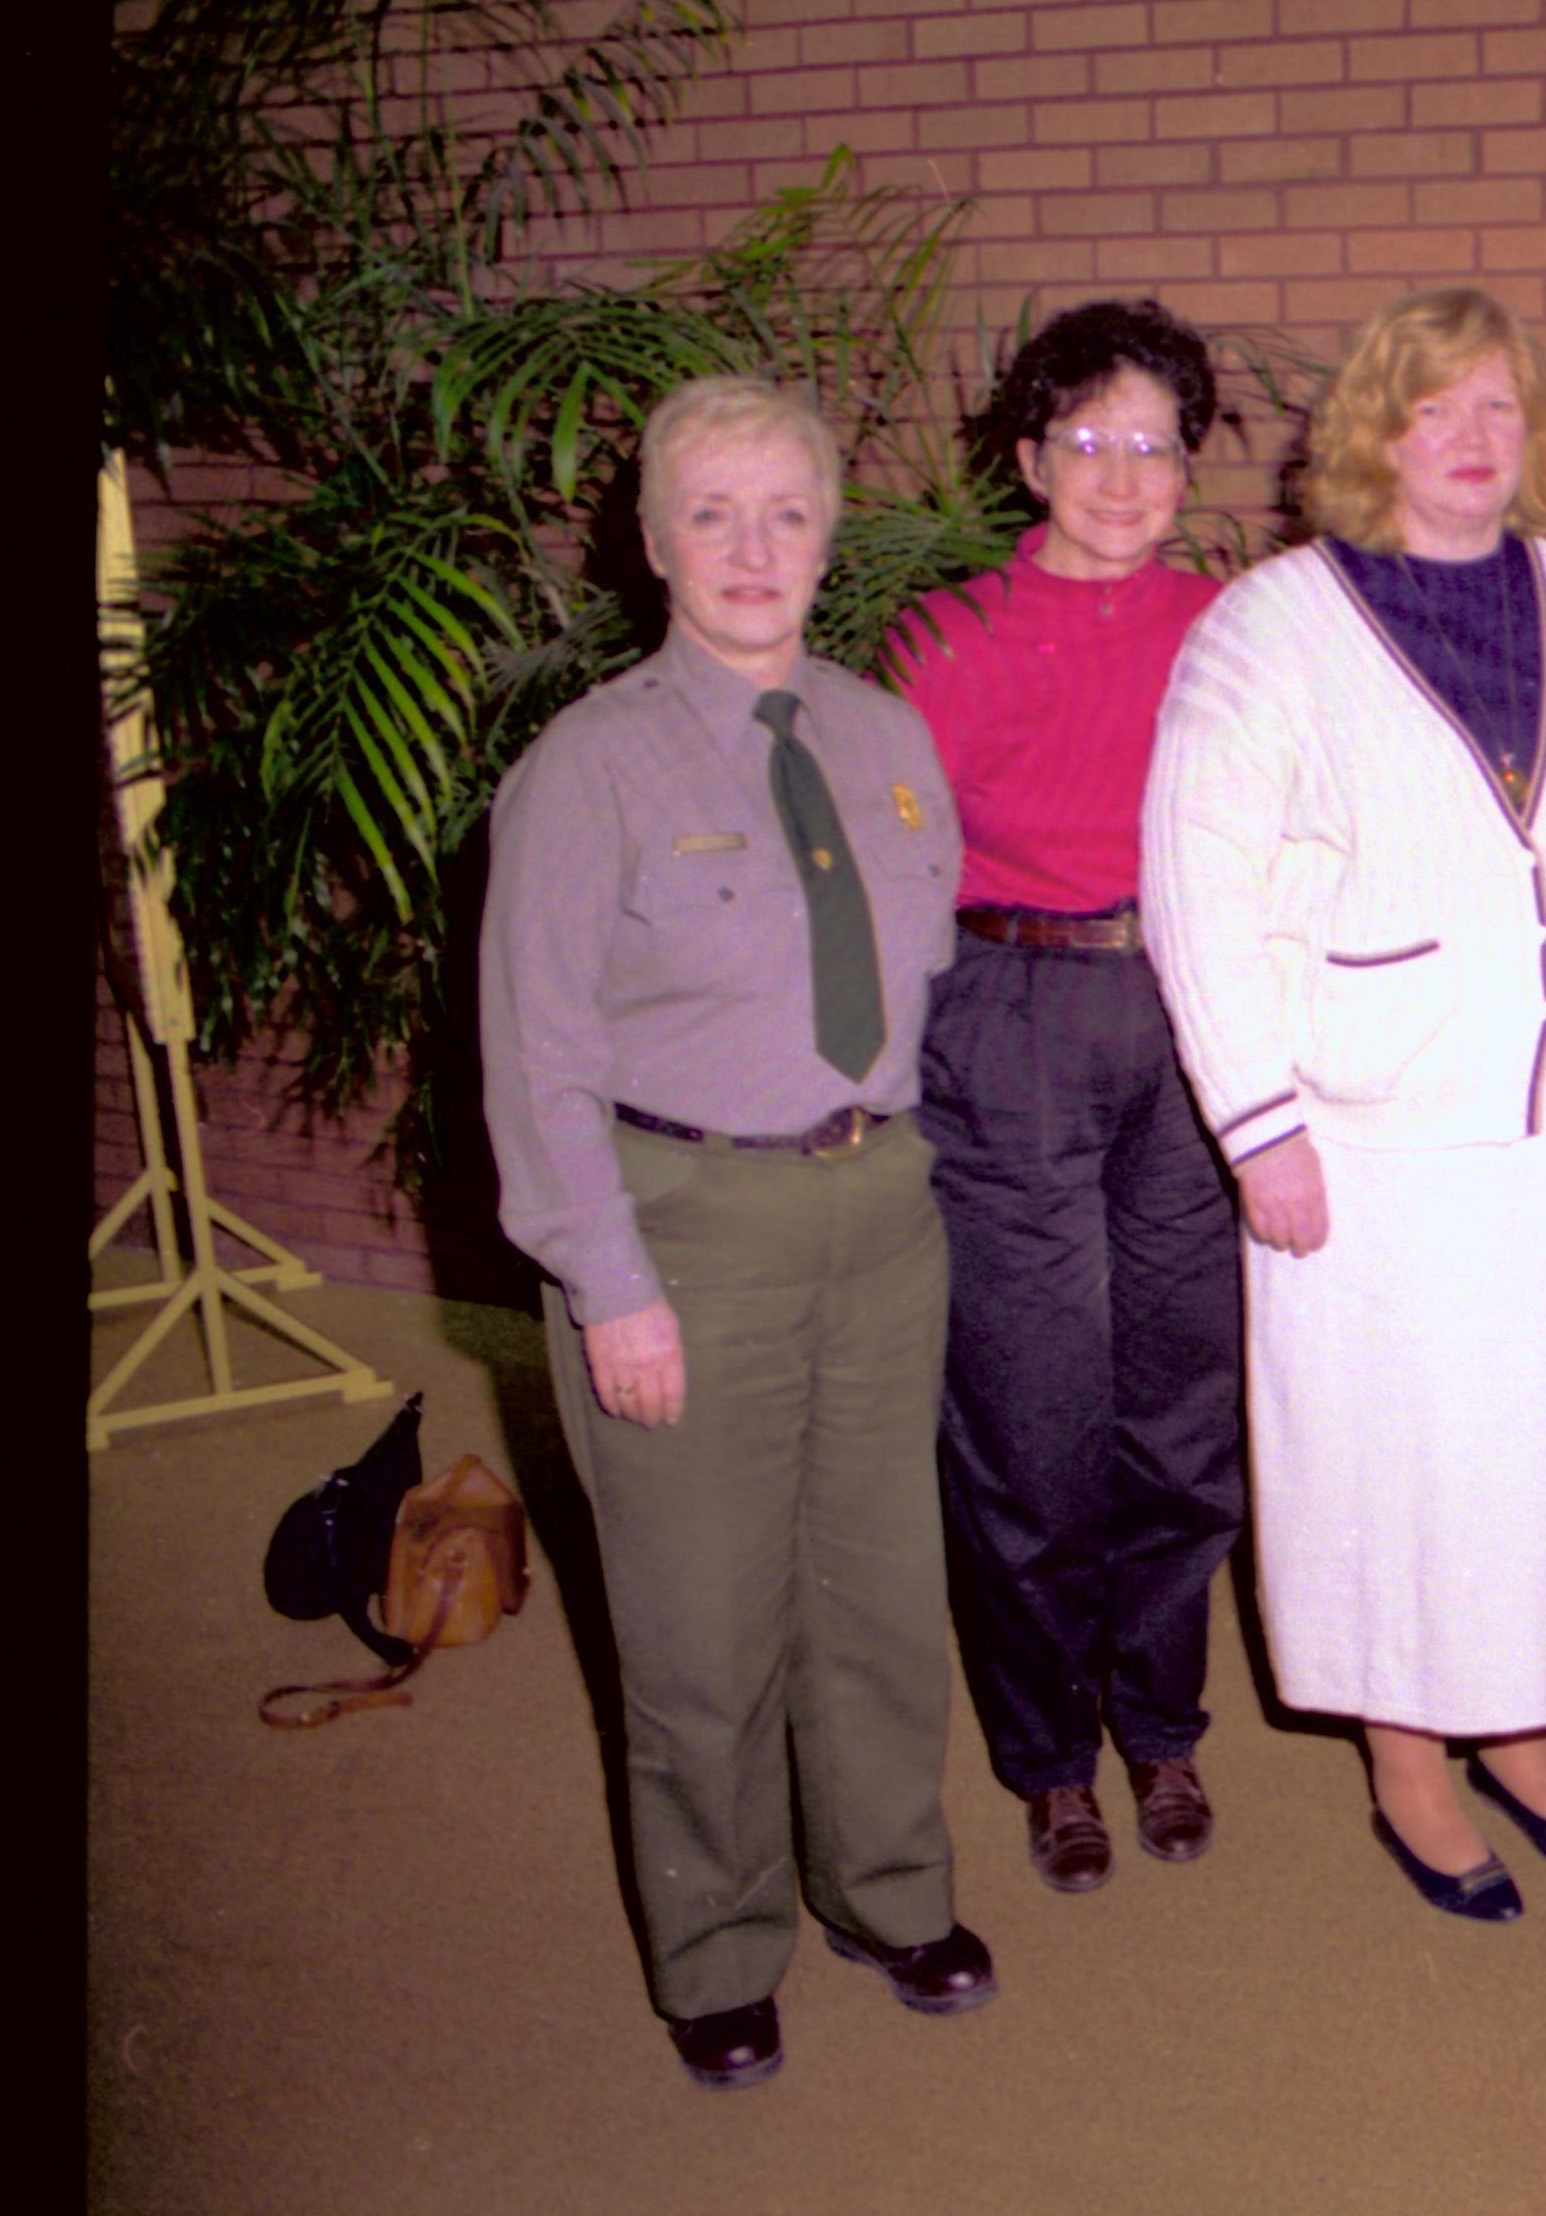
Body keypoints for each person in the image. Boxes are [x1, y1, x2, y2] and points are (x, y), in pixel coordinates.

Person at [1139, 286, 1546, 1922]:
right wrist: (1254, 1117)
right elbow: (1196, 878)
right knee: (1393, 1461)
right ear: (1375, 433)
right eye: (1436, 409)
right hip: (1370, 1128)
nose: (1474, 440)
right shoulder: (1269, 625)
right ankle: (1409, 1757)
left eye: (1499, 407)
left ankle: (1523, 1725)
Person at [482, 376, 992, 2090]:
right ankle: (717, 1944)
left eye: (786, 509)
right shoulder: (589, 767)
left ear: (829, 530)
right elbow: (538, 1055)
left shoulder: (884, 737)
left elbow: (922, 987)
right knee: (701, 1622)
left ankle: (892, 1887)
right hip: (684, 1225)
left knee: (878, 1586)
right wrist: (607, 1284)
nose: (753, 546)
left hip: (877, 1210)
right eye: (713, 511)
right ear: (651, 543)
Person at [888, 300, 1244, 1897]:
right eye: (1086, 441)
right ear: (1030, 459)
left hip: (1187, 1015)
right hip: (1009, 1011)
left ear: (1188, 467)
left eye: (1152, 444)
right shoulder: (945, 639)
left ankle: (1161, 1719)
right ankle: (1049, 1759)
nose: (1119, 474)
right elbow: (888, 871)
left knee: (1179, 1400)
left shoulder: (1236, 626)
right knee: (1034, 1418)